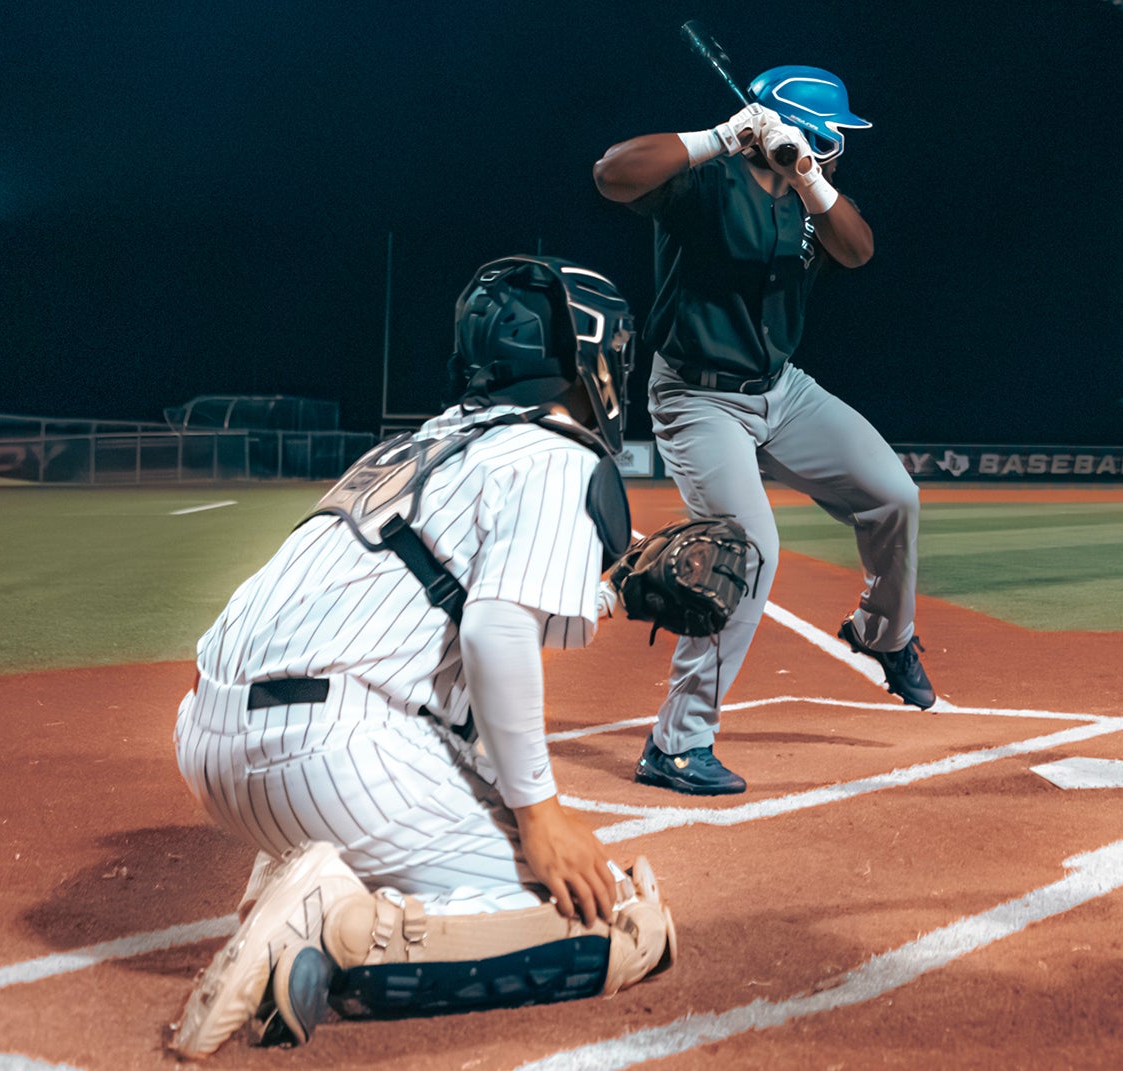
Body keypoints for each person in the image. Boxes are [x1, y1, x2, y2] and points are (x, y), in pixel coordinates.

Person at [166, 257, 673, 1060]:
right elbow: (494, 630)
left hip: (210, 740)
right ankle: (333, 920)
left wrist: (609, 592)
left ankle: (296, 872)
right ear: (586, 363)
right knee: (622, 925)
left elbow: (443, 604)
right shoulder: (560, 452)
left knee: (458, 730)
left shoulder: (420, 444)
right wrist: (538, 815)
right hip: (329, 753)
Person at [591, 65, 934, 799]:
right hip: (697, 396)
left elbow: (859, 249)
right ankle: (677, 744)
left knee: (894, 496)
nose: (841, 149)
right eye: (833, 137)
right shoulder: (706, 185)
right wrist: (721, 136)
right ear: (805, 125)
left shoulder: (811, 195)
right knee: (748, 552)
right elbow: (612, 174)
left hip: (782, 388)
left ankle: (884, 633)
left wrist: (808, 173)